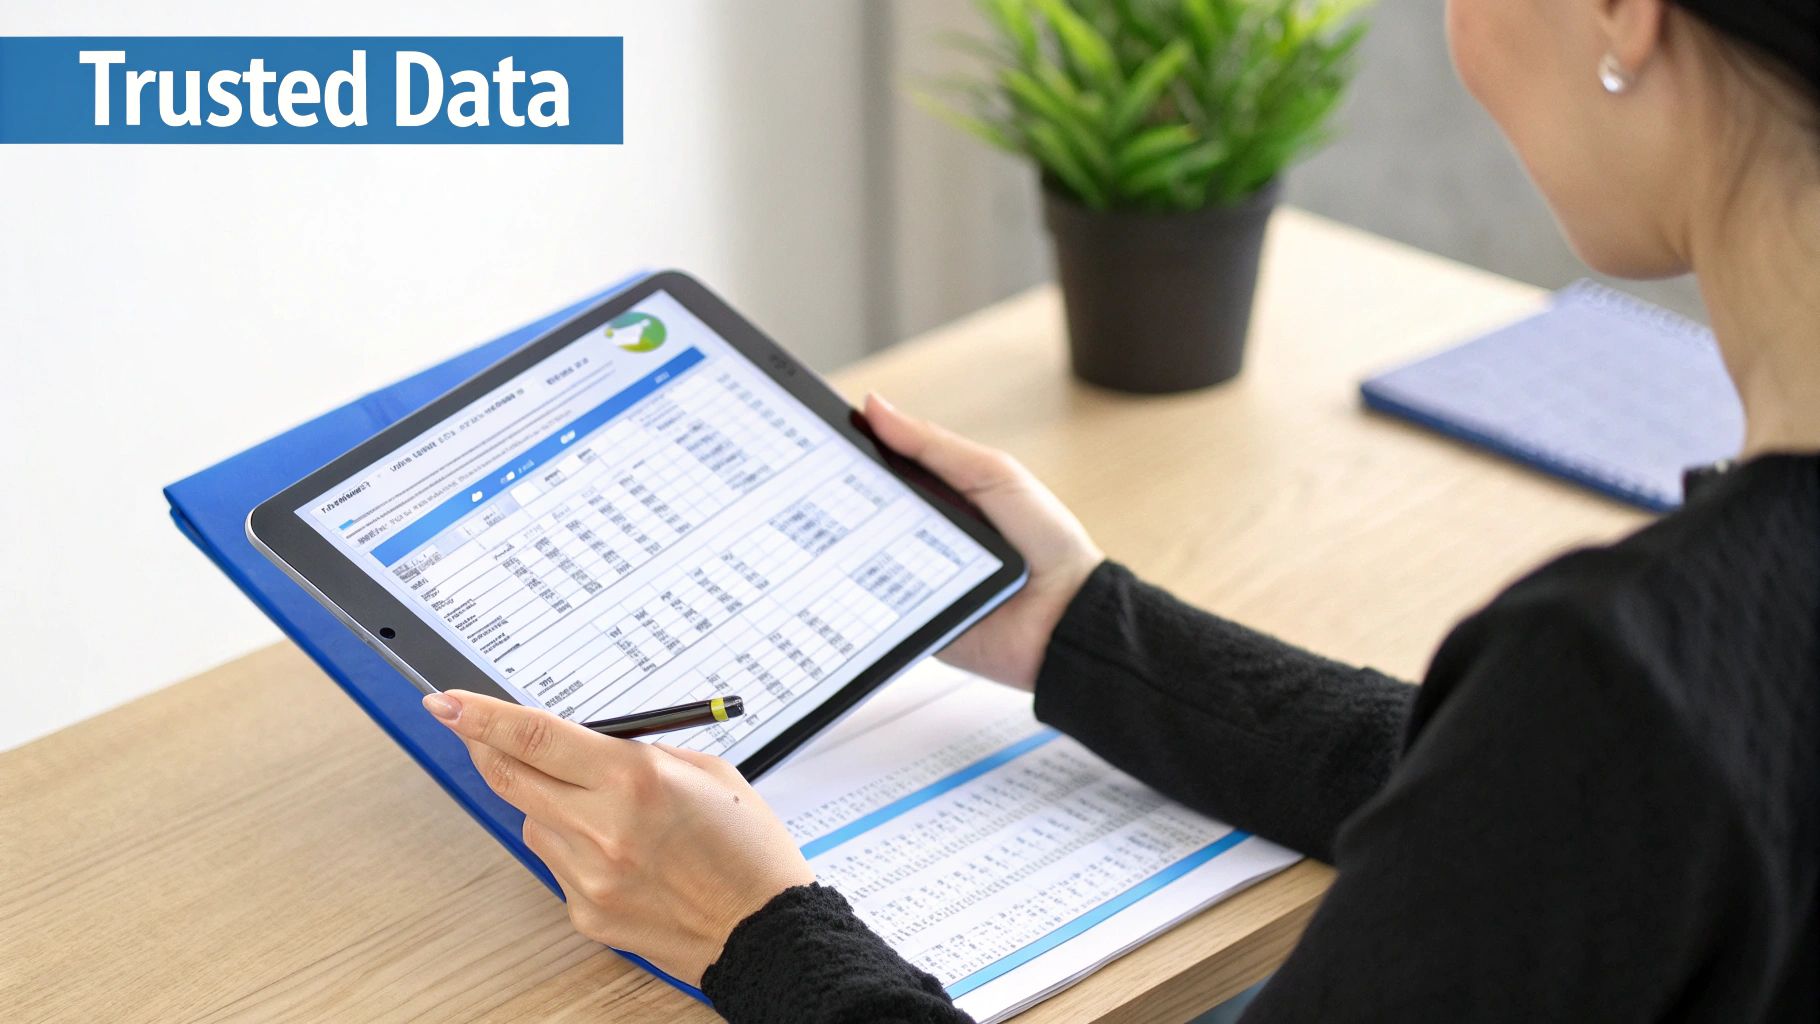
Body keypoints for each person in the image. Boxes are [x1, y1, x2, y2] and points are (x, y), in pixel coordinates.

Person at [419, 0, 1819, 1019]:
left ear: (1624, 13)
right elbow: (1556, 821)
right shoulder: (1659, 698)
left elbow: (1583, 775)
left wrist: (754, 929)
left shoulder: (1624, 678)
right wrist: (1084, 630)